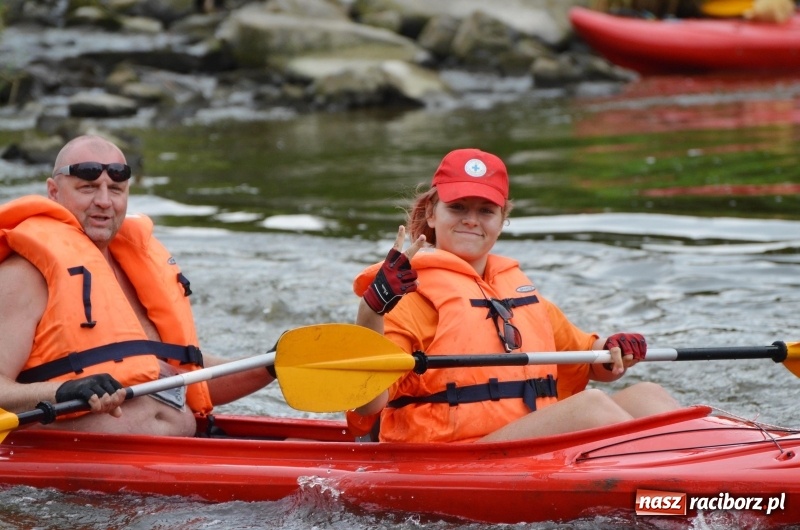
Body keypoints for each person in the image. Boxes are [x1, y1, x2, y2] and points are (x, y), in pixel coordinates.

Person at [349, 148, 680, 443]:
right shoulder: (403, 297)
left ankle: (705, 476)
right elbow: (369, 403)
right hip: (452, 457)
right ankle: (679, 490)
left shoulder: (515, 290)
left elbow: (590, 362)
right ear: (432, 214)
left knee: (648, 396)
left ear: (502, 219)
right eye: (458, 207)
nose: (471, 220)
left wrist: (615, 350)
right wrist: (371, 308)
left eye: (486, 211)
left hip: (524, 443)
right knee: (590, 407)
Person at [0, 134, 275, 437]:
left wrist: (269, 363)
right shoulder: (23, 275)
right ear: (53, 192)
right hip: (77, 472)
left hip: (183, 451)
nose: (104, 201)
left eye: (115, 189)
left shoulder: (134, 270)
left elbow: (188, 377)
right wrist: (62, 391)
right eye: (88, 188)